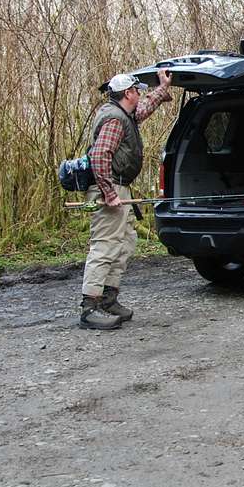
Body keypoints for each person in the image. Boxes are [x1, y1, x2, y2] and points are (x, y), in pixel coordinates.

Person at [78, 69, 173, 330]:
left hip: (121, 188)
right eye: (137, 91)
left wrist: (163, 88)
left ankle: (109, 300)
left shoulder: (124, 115)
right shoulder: (114, 120)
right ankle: (90, 308)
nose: (140, 95)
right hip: (109, 190)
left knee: (124, 243)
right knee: (105, 246)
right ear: (128, 93)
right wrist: (109, 194)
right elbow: (99, 157)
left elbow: (143, 109)